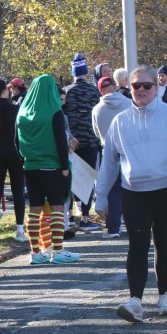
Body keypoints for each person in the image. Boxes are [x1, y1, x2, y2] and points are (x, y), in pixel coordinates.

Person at [94, 65, 167, 323]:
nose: (141, 90)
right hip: (134, 192)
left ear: (156, 87)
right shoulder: (120, 121)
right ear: (129, 88)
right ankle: (135, 301)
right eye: (135, 86)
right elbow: (109, 163)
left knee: (164, 242)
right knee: (137, 245)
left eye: (146, 85)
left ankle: (164, 294)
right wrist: (101, 197)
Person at [16, 74, 81, 264]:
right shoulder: (55, 112)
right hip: (53, 166)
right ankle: (58, 250)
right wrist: (64, 166)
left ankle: (35, 252)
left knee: (34, 209)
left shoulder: (22, 113)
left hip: (30, 166)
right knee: (57, 208)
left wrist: (25, 161)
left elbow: (16, 141)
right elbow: (61, 141)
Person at [0, 78, 27, 243]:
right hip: (12, 151)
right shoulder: (13, 108)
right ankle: (20, 230)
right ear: (3, 91)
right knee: (18, 192)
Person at [63, 54, 103, 231]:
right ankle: (85, 218)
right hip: (90, 140)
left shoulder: (67, 92)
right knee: (87, 178)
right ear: (86, 72)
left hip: (71, 142)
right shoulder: (94, 91)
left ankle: (70, 216)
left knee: (70, 178)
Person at [91, 75, 129, 238]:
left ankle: (114, 227)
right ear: (114, 86)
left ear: (100, 90)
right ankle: (135, 222)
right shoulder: (129, 103)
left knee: (113, 189)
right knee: (132, 188)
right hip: (129, 150)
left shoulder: (97, 109)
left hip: (109, 151)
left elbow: (96, 132)